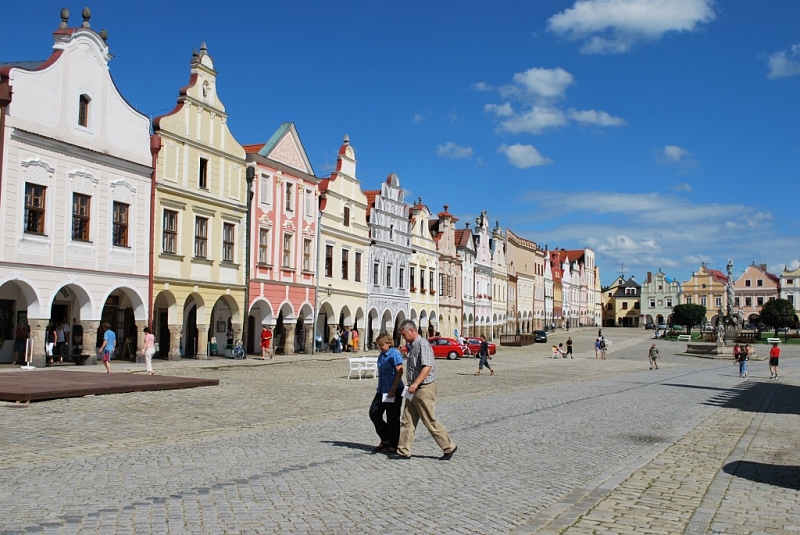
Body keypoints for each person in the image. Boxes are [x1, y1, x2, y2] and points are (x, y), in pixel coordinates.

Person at [393, 319, 457, 461]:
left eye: (404, 334)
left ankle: (449, 446)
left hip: (423, 388)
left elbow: (427, 366)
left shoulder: (423, 344)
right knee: (407, 419)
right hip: (412, 388)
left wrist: (415, 383)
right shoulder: (412, 346)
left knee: (429, 420)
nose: (403, 337)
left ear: (411, 330)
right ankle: (404, 450)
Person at [369, 333, 404, 454]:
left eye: (381, 345)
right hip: (382, 390)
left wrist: (393, 389)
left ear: (388, 343)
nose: (380, 347)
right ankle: (385, 438)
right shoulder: (382, 355)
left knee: (392, 418)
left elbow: (399, 371)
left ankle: (394, 444)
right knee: (374, 413)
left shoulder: (394, 354)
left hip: (393, 390)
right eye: (378, 345)